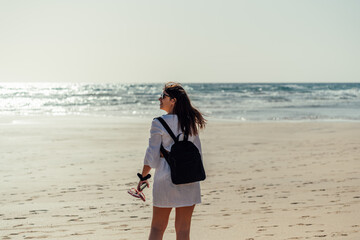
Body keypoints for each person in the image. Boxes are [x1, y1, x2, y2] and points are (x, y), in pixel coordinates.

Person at [137, 82, 206, 240]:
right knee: (183, 230)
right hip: (190, 179)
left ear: (173, 100)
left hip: (166, 180)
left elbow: (151, 156)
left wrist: (143, 177)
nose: (159, 98)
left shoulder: (158, 123)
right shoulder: (190, 122)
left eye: (163, 96)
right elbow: (197, 153)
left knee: (157, 228)